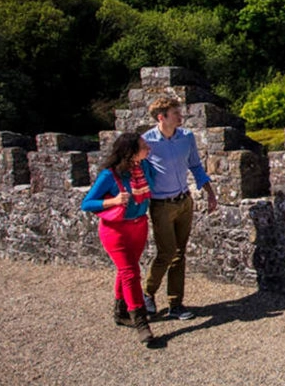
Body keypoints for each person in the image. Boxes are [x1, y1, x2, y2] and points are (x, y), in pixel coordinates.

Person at [142, 96, 218, 321]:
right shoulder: (146, 142)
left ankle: (176, 304)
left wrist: (210, 192)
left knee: (179, 254)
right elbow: (139, 173)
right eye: (176, 113)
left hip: (184, 202)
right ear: (161, 117)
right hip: (161, 205)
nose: (181, 116)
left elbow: (195, 165)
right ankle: (147, 293)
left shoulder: (186, 137)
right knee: (166, 253)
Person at [81, 132, 155, 344]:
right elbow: (87, 203)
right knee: (131, 273)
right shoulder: (109, 175)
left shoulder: (144, 168)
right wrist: (112, 201)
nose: (147, 148)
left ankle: (120, 311)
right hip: (116, 230)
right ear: (130, 151)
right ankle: (141, 322)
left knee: (126, 271)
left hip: (138, 226)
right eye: (143, 146)